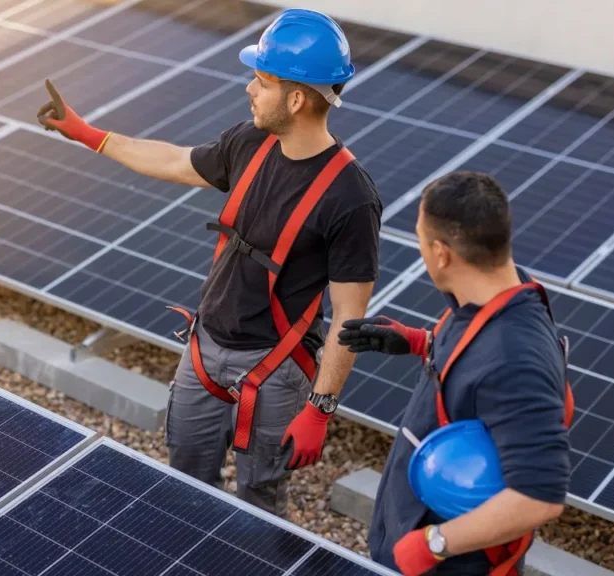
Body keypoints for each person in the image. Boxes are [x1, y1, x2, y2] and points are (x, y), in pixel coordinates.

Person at [36, 8, 383, 519]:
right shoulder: (249, 142)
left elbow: (349, 318)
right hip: (204, 351)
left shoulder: (350, 198)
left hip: (277, 372)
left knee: (259, 507)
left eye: (261, 81)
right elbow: (177, 161)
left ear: (296, 98)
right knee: (182, 489)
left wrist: (321, 409)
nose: (249, 89)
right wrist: (90, 135)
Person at [338, 172, 574, 575]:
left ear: (442, 254)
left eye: (421, 241)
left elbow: (540, 496)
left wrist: (434, 544)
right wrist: (419, 341)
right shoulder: (502, 290)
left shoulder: (517, 361)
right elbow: (478, 367)